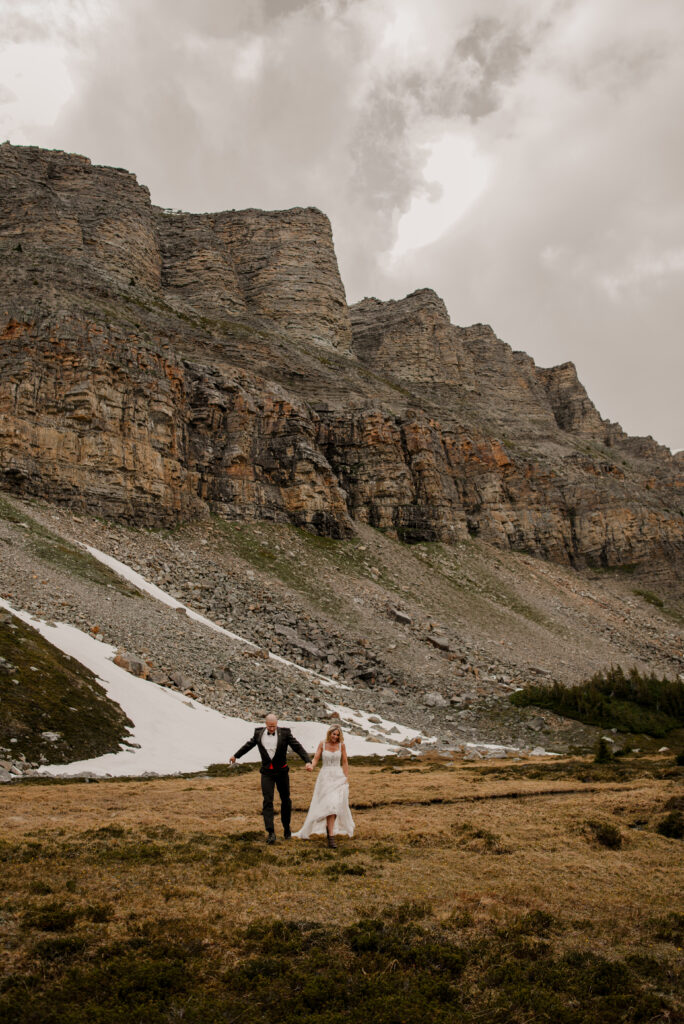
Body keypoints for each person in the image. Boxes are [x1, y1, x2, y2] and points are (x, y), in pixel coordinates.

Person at [230, 714, 312, 844]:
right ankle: (271, 832)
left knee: (286, 800)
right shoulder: (258, 733)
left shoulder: (285, 733)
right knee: (267, 801)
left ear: (277, 724)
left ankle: (287, 829)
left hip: (282, 772)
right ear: (266, 724)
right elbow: (248, 745)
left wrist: (307, 761)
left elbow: (297, 747)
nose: (272, 729)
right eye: (269, 726)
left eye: (274, 726)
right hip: (267, 773)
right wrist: (236, 756)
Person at [293, 724, 354, 848]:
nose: (335, 737)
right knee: (329, 804)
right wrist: (311, 765)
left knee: (335, 805)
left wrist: (345, 778)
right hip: (325, 777)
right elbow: (316, 758)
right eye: (333, 734)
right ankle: (331, 837)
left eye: (337, 735)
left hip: (337, 776)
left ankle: (329, 831)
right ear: (329, 733)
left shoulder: (342, 746)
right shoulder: (322, 744)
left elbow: (345, 762)